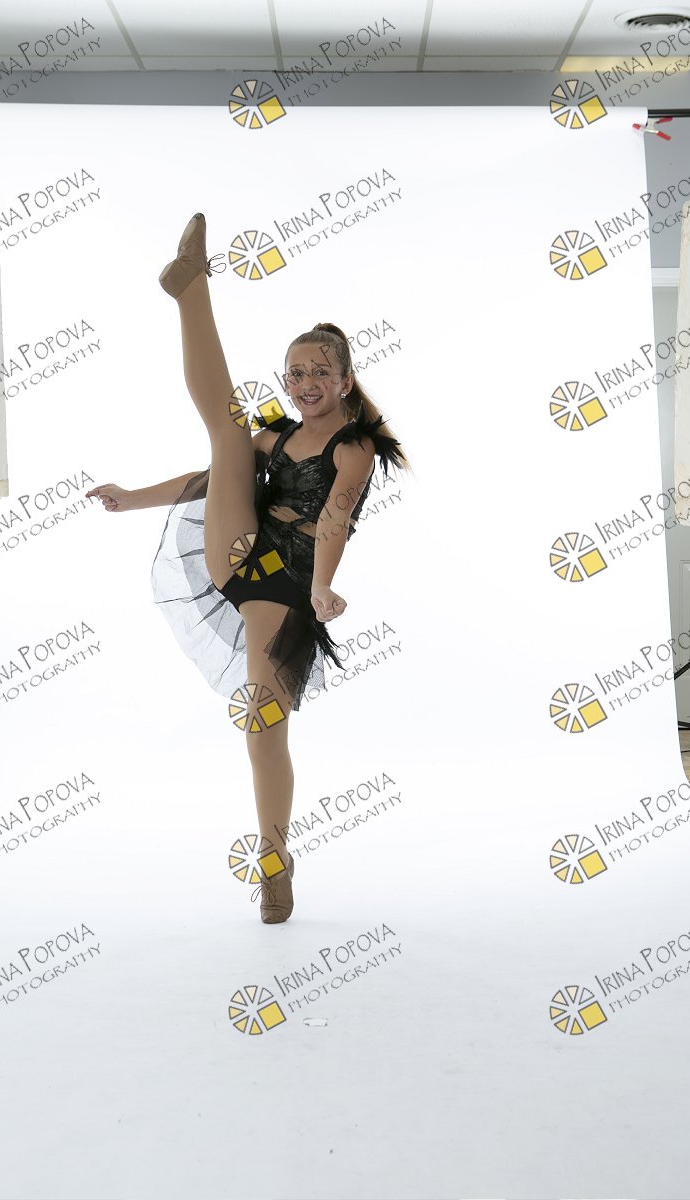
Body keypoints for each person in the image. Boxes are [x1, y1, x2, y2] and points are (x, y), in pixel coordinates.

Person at [86, 213, 410, 925]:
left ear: (345, 379)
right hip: (240, 554)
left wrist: (321, 587)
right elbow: (212, 480)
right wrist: (130, 498)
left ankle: (274, 859)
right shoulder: (278, 436)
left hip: (289, 586)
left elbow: (336, 518)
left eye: (319, 372)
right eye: (295, 372)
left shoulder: (353, 446)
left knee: (264, 724)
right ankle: (190, 288)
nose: (305, 382)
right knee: (230, 433)